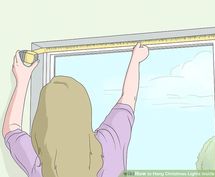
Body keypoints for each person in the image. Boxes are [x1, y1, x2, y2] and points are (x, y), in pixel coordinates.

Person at [2, 43, 149, 177]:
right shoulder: (110, 145)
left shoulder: (39, 163)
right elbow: (129, 97)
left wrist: (22, 80)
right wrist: (136, 60)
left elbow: (11, 128)